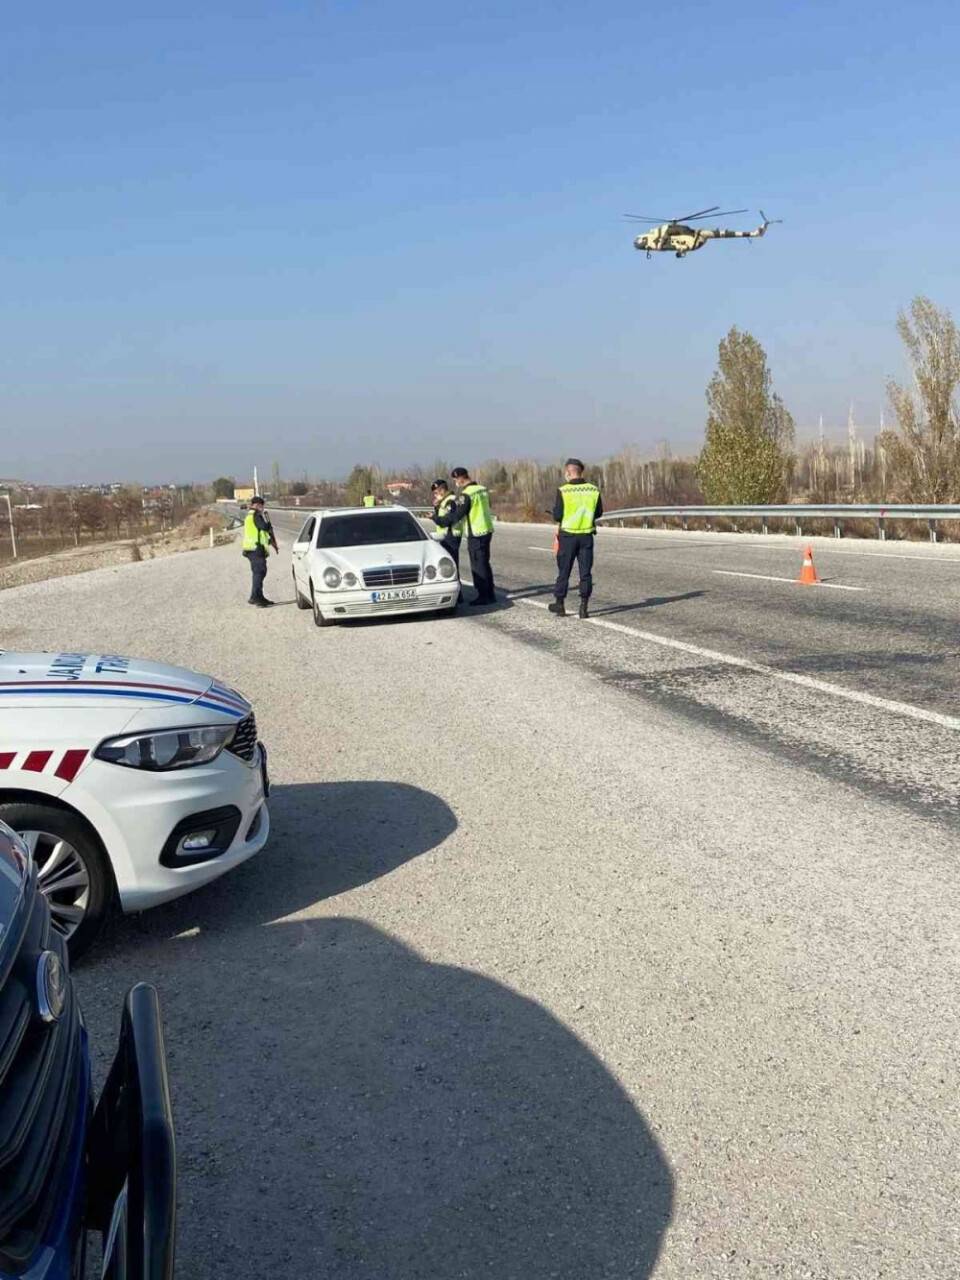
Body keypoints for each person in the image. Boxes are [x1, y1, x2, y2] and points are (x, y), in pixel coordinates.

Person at [549, 458, 602, 619]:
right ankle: (584, 607)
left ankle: (560, 604)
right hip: (586, 536)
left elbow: (558, 515)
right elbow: (599, 512)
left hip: (568, 537)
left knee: (564, 571)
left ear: (568, 472)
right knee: (585, 573)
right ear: (581, 472)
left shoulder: (563, 490)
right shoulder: (593, 490)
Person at [451, 467, 496, 606]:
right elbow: (489, 505)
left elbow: (458, 514)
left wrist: (444, 518)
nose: (455, 483)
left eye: (455, 480)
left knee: (478, 565)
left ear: (460, 478)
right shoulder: (483, 489)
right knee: (485, 563)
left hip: (475, 532)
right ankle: (490, 593)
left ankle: (483, 595)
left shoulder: (466, 494)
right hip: (487, 529)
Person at [242, 495, 279, 607]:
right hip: (255, 549)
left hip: (252, 548)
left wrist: (270, 542)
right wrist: (268, 525)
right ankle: (255, 597)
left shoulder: (249, 515)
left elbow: (259, 533)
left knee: (259, 572)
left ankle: (259, 596)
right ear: (258, 505)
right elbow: (263, 527)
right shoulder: (256, 515)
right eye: (262, 506)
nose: (262, 509)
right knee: (259, 572)